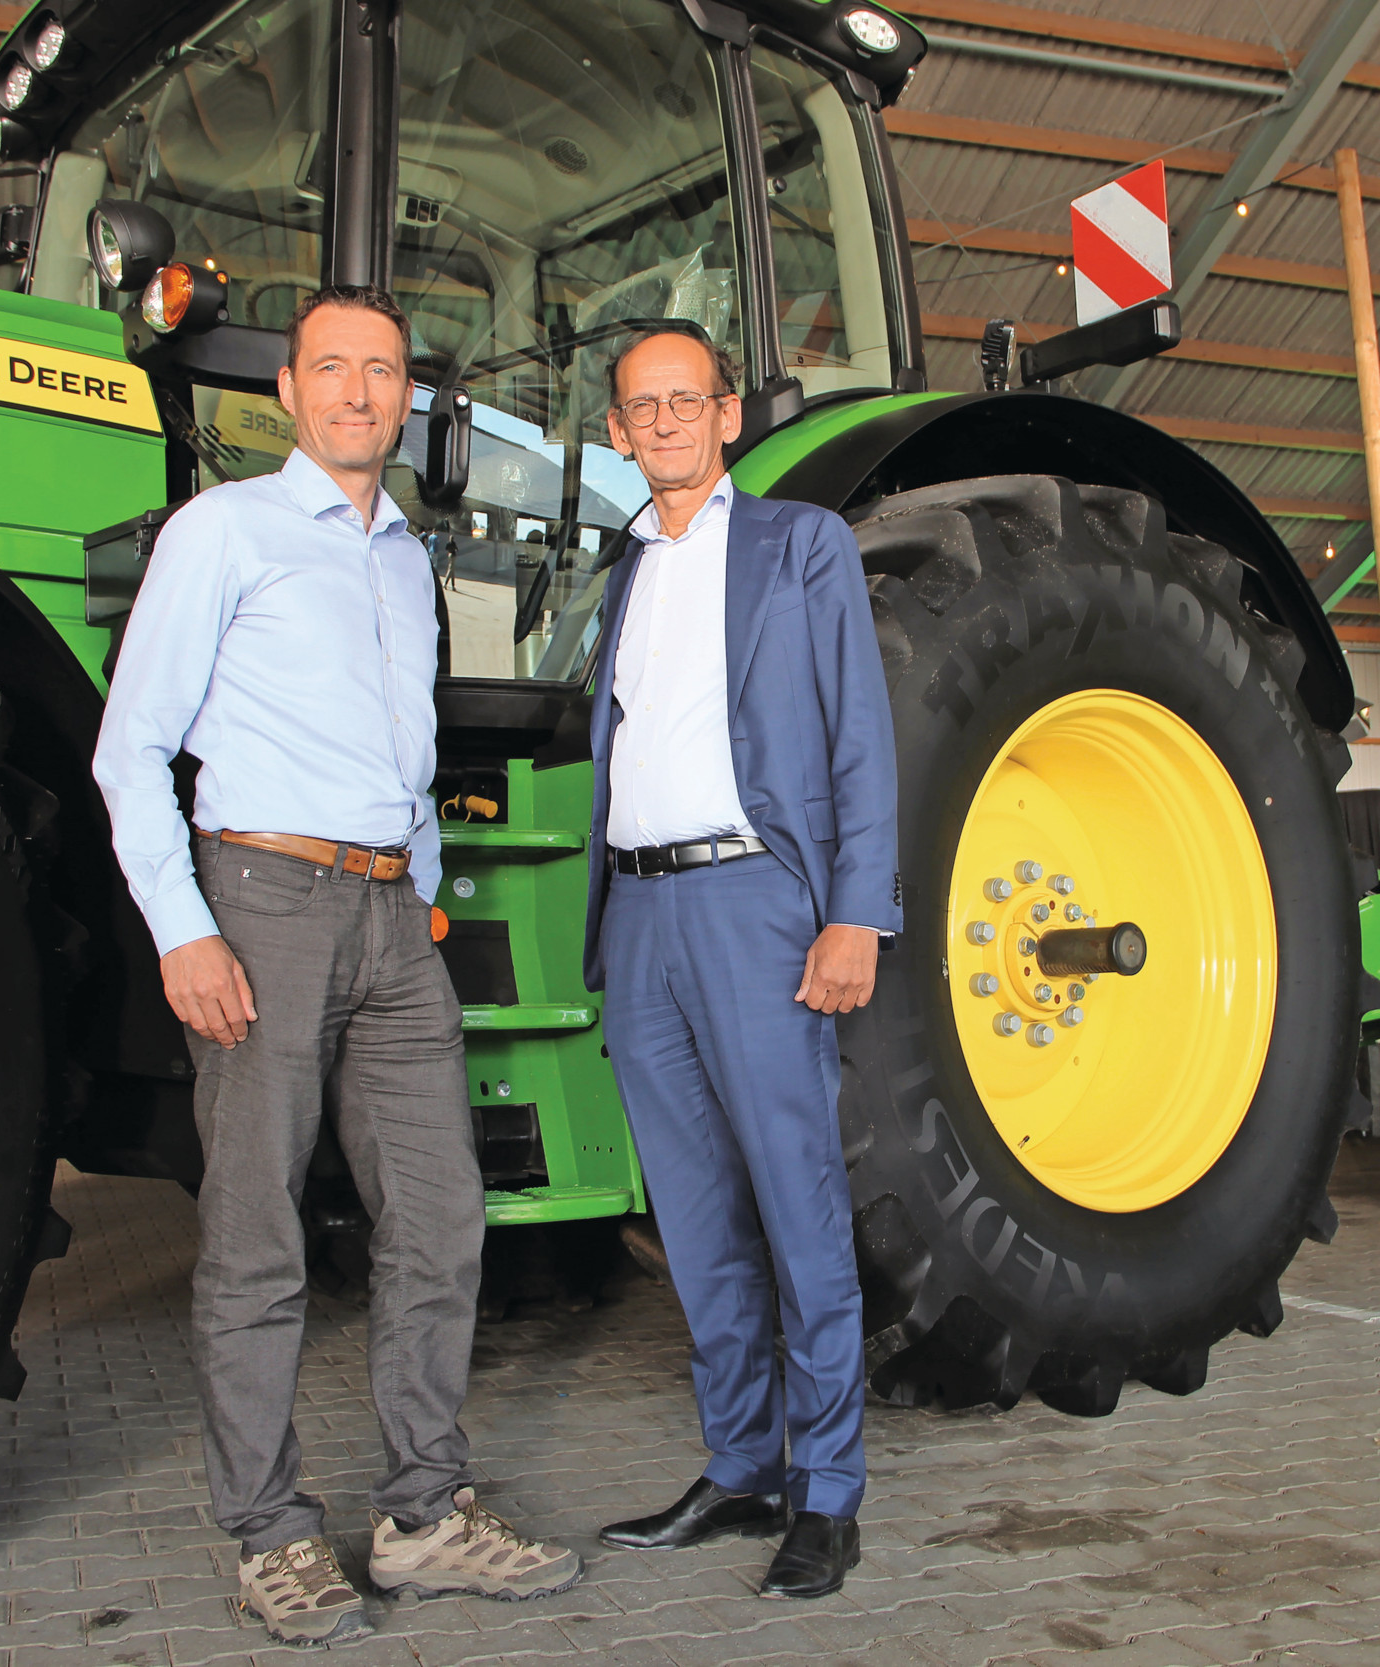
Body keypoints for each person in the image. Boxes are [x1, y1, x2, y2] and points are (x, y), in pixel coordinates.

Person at [92, 285, 578, 1648]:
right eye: (336, 369)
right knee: (257, 1236)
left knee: (439, 1216)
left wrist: (418, 895)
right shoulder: (224, 531)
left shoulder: (400, 561)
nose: (362, 392)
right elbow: (131, 748)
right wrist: (184, 926)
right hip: (262, 901)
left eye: (385, 372)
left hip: (385, 918)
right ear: (293, 394)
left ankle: (423, 1513)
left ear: (405, 399)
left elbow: (404, 755)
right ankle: (267, 1530)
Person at [582, 321, 900, 1599]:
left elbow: (858, 737)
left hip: (755, 900)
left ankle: (828, 1487)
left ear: (726, 416)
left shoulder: (798, 547)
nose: (662, 422)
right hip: (643, 916)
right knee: (695, 1216)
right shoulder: (625, 569)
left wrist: (854, 913)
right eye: (638, 408)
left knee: (796, 1199)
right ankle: (740, 1464)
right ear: (616, 432)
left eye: (684, 401)